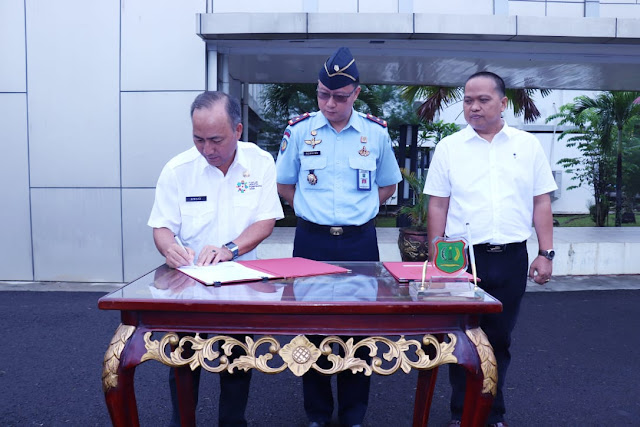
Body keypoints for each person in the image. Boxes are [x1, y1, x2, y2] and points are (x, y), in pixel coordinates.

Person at [276, 47, 402, 427]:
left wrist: (358, 212)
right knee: (310, 326)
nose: (330, 103)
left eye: (339, 96)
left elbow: (387, 184)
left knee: (358, 327)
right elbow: (284, 184)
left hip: (359, 242)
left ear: (356, 93)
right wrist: (312, 213)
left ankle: (353, 414)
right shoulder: (299, 131)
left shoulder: (374, 133)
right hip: (311, 241)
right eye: (323, 94)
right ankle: (316, 413)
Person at [423, 71, 557, 427]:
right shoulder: (449, 147)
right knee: (461, 341)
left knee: (499, 339)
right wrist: (437, 258)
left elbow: (541, 201)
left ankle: (492, 414)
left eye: (483, 100)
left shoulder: (527, 146)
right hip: (463, 260)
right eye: (468, 100)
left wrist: (546, 253)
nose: (474, 107)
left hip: (512, 258)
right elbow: (437, 205)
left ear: (502, 102)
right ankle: (459, 415)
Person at [147, 91, 284, 426]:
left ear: (238, 130)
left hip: (240, 282)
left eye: (216, 140)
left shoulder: (260, 163)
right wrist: (169, 249)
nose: (207, 150)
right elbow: (161, 227)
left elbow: (266, 220)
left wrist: (229, 249)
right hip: (189, 283)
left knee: (236, 363)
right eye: (198, 139)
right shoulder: (178, 170)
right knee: (183, 363)